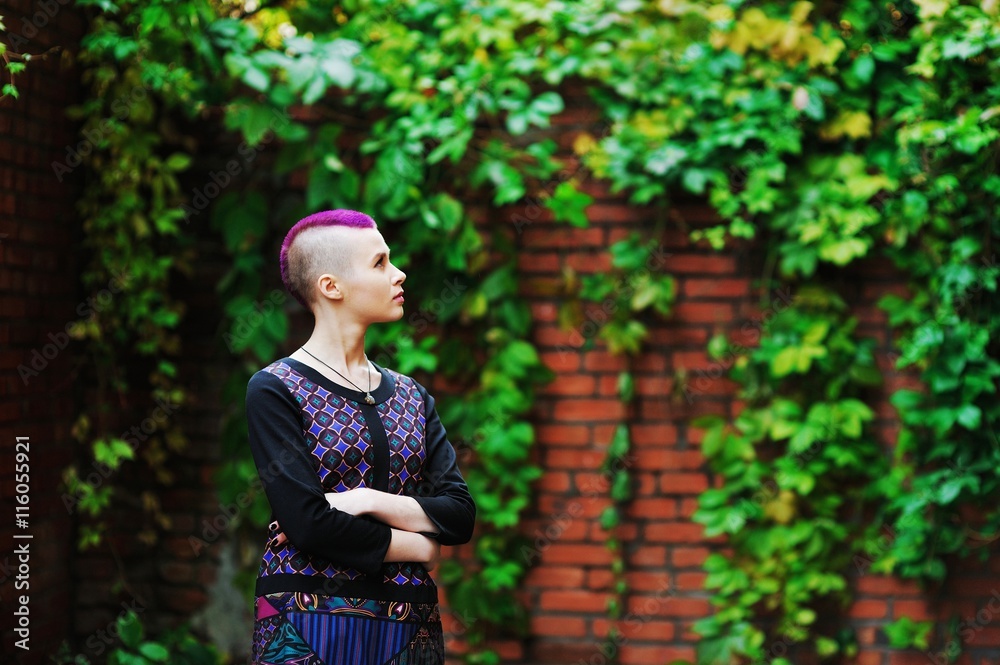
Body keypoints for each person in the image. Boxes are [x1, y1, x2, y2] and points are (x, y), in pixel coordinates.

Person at [245, 209, 476, 665]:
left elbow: (459, 514)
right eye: (380, 263)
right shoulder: (275, 389)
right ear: (331, 287)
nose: (399, 273)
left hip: (409, 622)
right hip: (304, 620)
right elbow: (308, 523)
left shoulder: (412, 395)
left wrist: (366, 500)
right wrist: (420, 544)